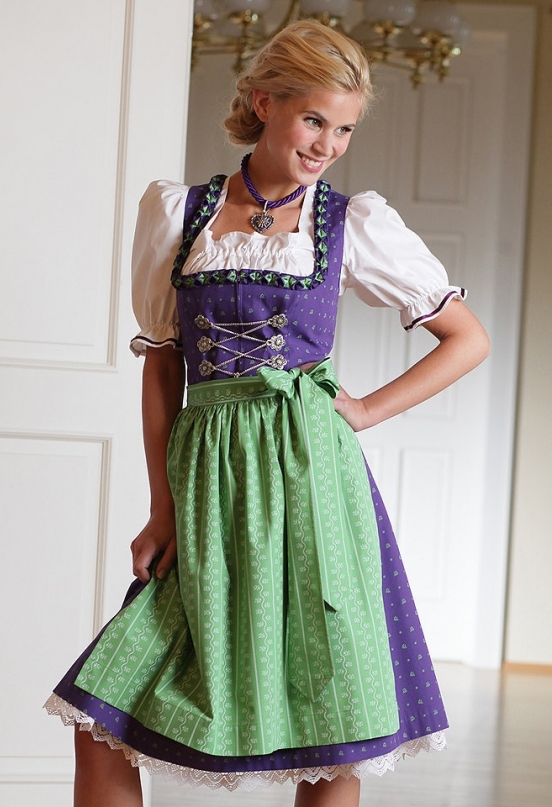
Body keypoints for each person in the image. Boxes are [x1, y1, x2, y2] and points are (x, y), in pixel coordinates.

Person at [45, 20, 490, 807]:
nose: (328, 145)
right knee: (102, 715)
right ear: (263, 102)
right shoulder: (181, 214)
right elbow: (163, 364)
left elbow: (468, 338)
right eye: (314, 119)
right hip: (208, 482)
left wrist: (363, 410)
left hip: (314, 481)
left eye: (344, 129)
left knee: (331, 725)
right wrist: (162, 506)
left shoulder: (350, 222)